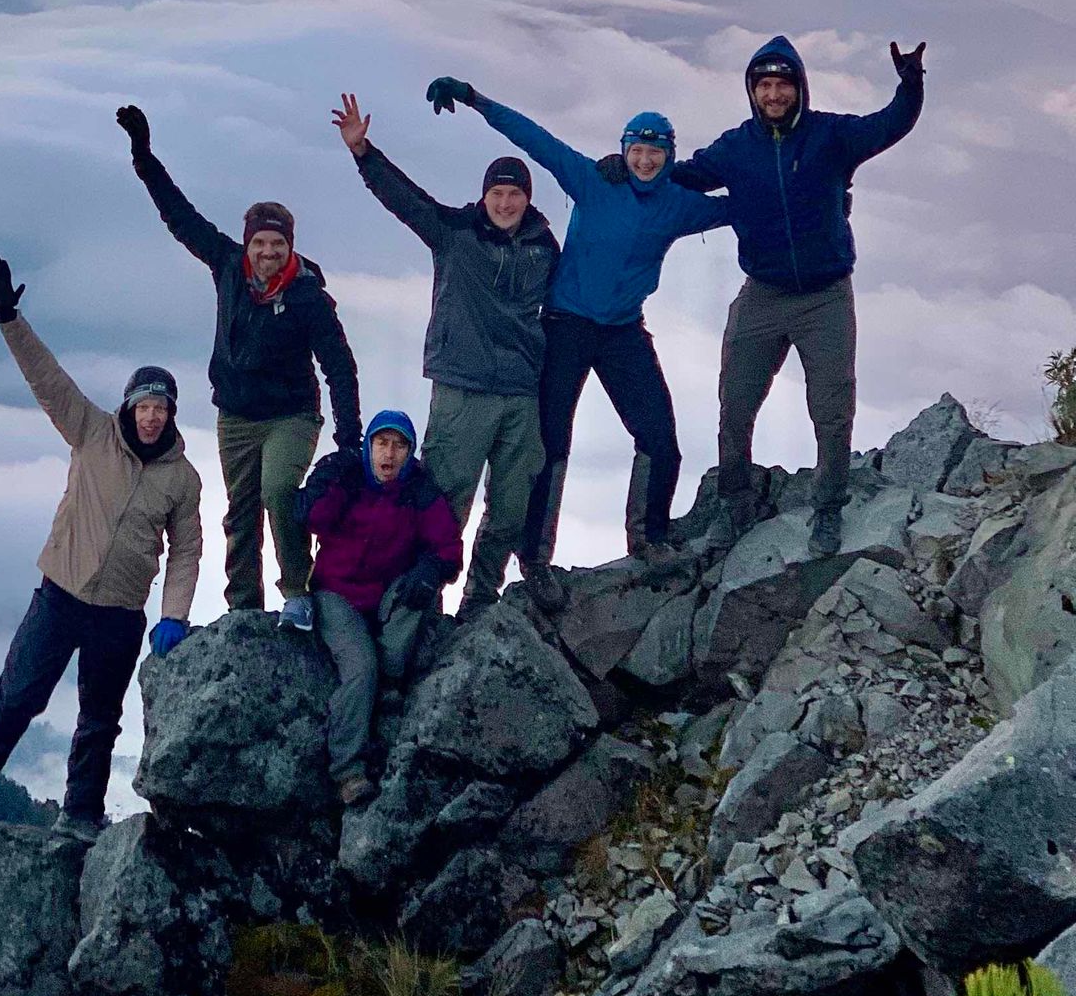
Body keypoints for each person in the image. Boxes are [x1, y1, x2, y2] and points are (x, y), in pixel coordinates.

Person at [0, 255, 202, 848]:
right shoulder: (91, 432)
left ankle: (79, 816)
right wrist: (10, 317)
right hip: (60, 594)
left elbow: (187, 550)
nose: (152, 415)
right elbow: (47, 379)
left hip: (121, 612)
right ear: (130, 406)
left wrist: (174, 617)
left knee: (99, 721)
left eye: (162, 407)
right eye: (144, 404)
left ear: (171, 415)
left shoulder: (182, 478)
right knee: (17, 698)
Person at [425, 79, 733, 576]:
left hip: (623, 332)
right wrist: (476, 98)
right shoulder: (594, 181)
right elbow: (535, 139)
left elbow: (740, 207)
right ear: (623, 150)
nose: (645, 161)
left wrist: (819, 201)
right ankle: (536, 558)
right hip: (567, 325)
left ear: (669, 156)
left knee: (660, 438)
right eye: (637, 149)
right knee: (550, 442)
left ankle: (649, 539)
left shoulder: (679, 204)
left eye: (656, 151)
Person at [115, 102, 359, 627]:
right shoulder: (227, 264)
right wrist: (144, 157)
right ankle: (244, 607)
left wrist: (350, 438)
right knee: (240, 512)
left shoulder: (307, 295)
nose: (266, 252)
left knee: (277, 492)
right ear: (247, 243)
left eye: (276, 244)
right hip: (237, 415)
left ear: (289, 246)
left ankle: (297, 592)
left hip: (292, 414)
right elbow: (179, 217)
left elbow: (339, 364)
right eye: (259, 243)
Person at [671, 35, 926, 538]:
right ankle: (735, 503)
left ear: (799, 87)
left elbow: (890, 124)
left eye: (782, 84)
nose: (773, 94)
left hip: (825, 295)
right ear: (752, 90)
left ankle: (828, 506)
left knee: (832, 409)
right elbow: (683, 178)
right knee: (736, 404)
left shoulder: (830, 136)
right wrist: (631, 166)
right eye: (763, 84)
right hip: (761, 293)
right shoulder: (735, 147)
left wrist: (910, 84)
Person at [332, 91, 558, 612]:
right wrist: (364, 152)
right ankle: (425, 596)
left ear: (527, 198)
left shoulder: (545, 246)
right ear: (484, 197)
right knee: (447, 500)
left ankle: (482, 594)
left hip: (520, 392)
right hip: (463, 387)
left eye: (514, 194)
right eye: (497, 193)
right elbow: (405, 200)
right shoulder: (454, 232)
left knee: (510, 506)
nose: (505, 203)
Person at [296, 410, 461, 806]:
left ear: (409, 452)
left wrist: (429, 569)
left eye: (399, 445)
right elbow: (312, 518)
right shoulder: (351, 478)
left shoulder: (418, 490)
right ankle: (348, 771)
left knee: (418, 591)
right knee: (360, 667)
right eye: (381, 443)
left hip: (386, 594)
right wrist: (333, 479)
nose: (389, 453)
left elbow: (448, 549)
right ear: (368, 446)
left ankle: (388, 683)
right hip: (337, 594)